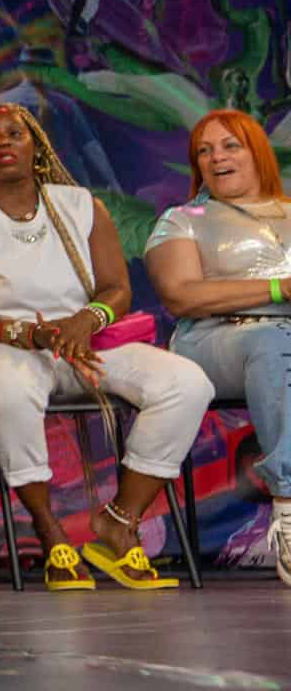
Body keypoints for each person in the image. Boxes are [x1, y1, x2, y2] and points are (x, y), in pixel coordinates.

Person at [0, 103, 214, 591]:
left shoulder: (82, 205)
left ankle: (118, 522)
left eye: (15, 133)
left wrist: (87, 319)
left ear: (36, 150)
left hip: (82, 340)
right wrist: (30, 334)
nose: (2, 141)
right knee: (9, 387)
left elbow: (116, 289)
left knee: (187, 383)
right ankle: (51, 532)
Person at [145, 108, 291, 585]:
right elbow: (181, 295)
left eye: (230, 145)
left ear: (257, 153)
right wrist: (278, 291)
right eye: (204, 151)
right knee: (270, 341)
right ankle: (289, 507)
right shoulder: (183, 220)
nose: (216, 157)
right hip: (213, 341)